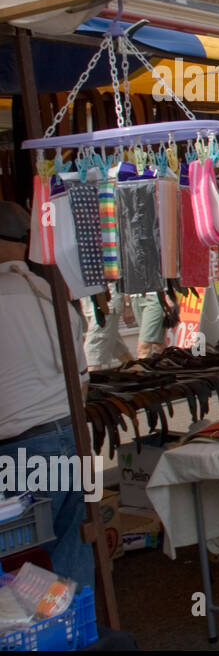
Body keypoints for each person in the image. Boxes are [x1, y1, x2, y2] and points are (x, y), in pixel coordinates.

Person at [0, 202, 95, 590]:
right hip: (73, 437)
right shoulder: (49, 292)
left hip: (22, 448)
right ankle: (77, 635)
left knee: (20, 564)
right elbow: (83, 380)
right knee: (73, 547)